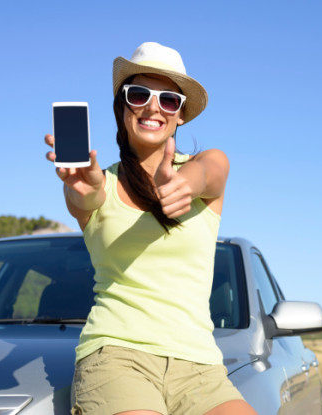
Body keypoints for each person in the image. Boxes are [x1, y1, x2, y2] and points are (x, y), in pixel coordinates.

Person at [45, 42, 258, 415]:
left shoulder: (205, 168)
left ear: (180, 117)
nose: (153, 107)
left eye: (169, 100)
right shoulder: (98, 184)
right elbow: (84, 199)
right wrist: (87, 189)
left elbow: (210, 172)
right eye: (139, 94)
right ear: (122, 106)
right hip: (117, 358)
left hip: (201, 368)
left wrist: (183, 184)